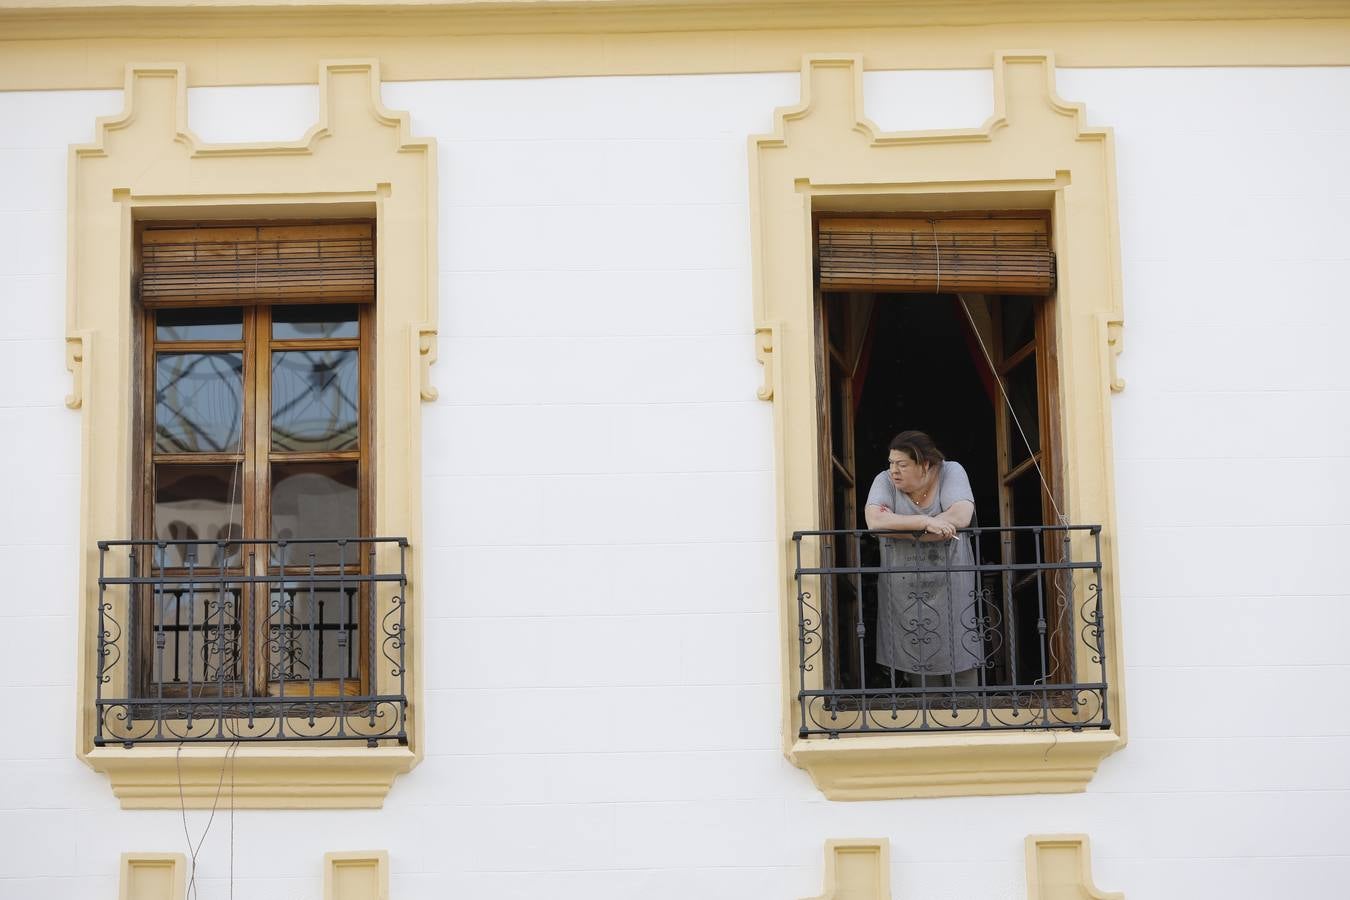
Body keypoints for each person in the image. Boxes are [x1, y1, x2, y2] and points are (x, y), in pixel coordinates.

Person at [864, 430, 981, 687]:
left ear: (925, 464)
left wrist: (899, 529)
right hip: (904, 590)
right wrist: (925, 523)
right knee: (919, 670)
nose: (893, 470)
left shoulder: (951, 471)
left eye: (902, 465)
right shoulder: (884, 481)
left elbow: (961, 516)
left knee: (961, 660)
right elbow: (875, 521)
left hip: (952, 586)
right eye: (891, 463)